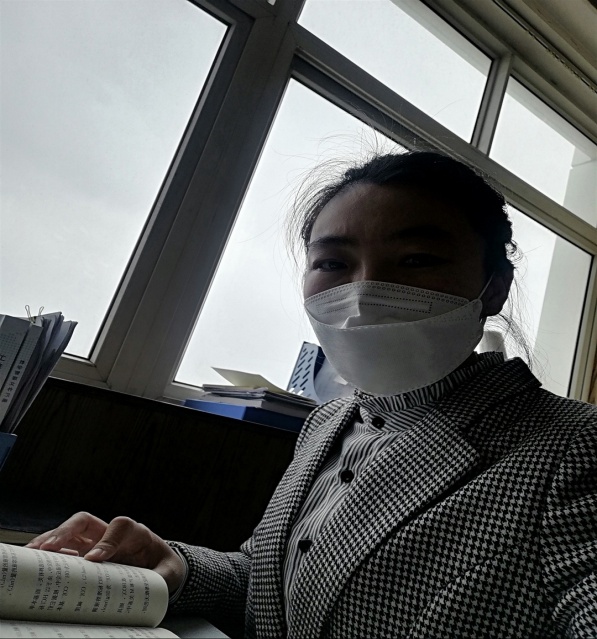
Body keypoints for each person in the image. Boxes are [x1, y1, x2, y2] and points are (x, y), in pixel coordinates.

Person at [28, 151, 597, 638]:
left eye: (417, 259)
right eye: (332, 263)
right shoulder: (327, 424)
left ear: (494, 288)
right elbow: (271, 586)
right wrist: (175, 565)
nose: (365, 291)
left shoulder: (576, 449)